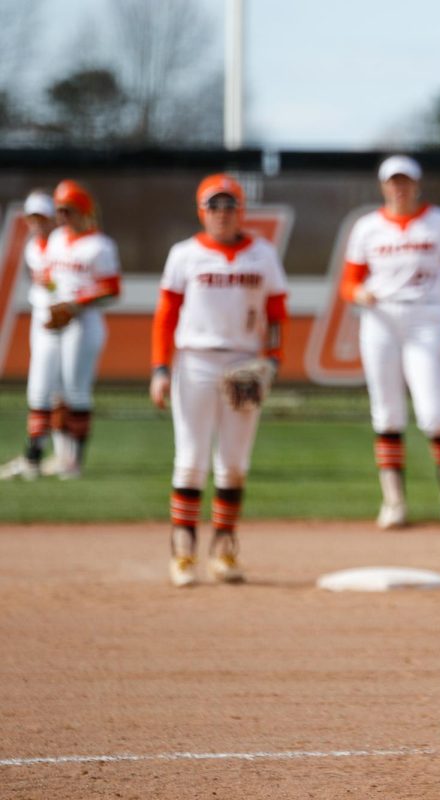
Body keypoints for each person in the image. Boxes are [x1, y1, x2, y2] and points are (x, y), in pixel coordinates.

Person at [150, 174, 289, 588]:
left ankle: (224, 549)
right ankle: (183, 551)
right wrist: (160, 368)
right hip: (194, 362)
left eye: (230, 206)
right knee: (190, 459)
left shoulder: (262, 253)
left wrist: (274, 361)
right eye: (214, 206)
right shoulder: (185, 254)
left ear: (240, 210)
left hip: (244, 364)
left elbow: (277, 312)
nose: (223, 214)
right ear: (201, 211)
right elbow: (165, 315)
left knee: (232, 463)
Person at [338, 155, 440, 529]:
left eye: (405, 181)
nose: (399, 188)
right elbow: (348, 282)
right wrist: (359, 293)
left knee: (433, 411)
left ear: (417, 185)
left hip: (426, 319)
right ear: (384, 187)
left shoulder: (439, 221)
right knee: (386, 412)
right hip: (380, 319)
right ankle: (393, 500)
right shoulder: (367, 227)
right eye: (393, 182)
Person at [28, 180, 122, 480]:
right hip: (58, 319)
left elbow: (112, 289)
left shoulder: (100, 245)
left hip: (84, 321)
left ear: (83, 211)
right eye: (59, 211)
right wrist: (50, 286)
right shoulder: (56, 239)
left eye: (68, 210)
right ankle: (53, 455)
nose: (63, 216)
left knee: (76, 389)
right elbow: (54, 278)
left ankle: (75, 461)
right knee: (51, 389)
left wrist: (76, 303)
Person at [0, 190, 68, 481]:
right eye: (33, 218)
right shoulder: (33, 248)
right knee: (46, 391)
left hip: (63, 325)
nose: (37, 223)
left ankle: (40, 457)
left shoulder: (62, 244)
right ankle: (46, 456)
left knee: (55, 391)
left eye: (42, 217)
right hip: (43, 322)